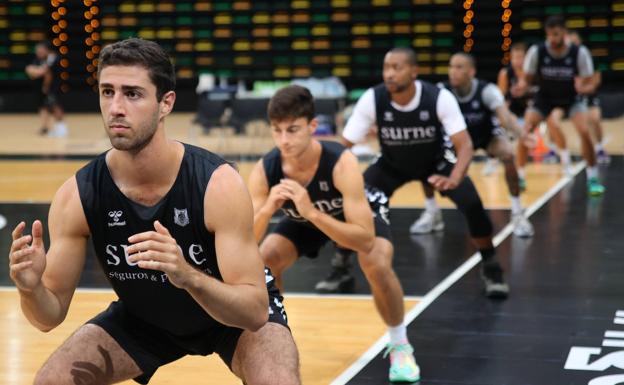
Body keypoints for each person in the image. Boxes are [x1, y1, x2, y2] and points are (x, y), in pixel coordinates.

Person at [8, 38, 299, 385]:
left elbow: (253, 312)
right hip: (146, 318)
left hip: (230, 317)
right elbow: (48, 316)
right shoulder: (78, 195)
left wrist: (187, 275)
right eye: (107, 92)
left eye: (132, 94)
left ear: (166, 103)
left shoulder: (217, 184)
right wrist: (30, 289)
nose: (115, 107)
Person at [248, 85, 420, 383]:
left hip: (351, 219)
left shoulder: (341, 162)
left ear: (313, 127)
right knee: (265, 258)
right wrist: (266, 211)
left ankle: (400, 343)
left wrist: (311, 211)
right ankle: (274, 339)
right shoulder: (266, 169)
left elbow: (364, 239)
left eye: (293, 130)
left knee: (376, 262)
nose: (284, 140)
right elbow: (244, 241)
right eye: (277, 131)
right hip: (304, 220)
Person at [341, 47, 510, 300]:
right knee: (351, 203)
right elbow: (343, 147)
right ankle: (340, 265)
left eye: (396, 68)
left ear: (414, 72)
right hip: (392, 163)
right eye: (386, 68)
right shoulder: (372, 98)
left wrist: (455, 177)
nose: (389, 74)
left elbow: (464, 145)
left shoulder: (438, 97)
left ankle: (491, 265)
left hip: (436, 162)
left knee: (472, 203)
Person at [411, 52, 534, 238]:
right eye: (451, 66)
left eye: (459, 67)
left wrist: (522, 134)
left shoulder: (487, 90)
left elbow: (505, 118)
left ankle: (517, 214)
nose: (453, 71)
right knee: (425, 158)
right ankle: (432, 213)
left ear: (472, 71)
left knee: (508, 154)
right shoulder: (441, 91)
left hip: (486, 136)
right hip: (456, 139)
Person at [516, 15, 605, 195]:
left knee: (584, 131)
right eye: (549, 35)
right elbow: (527, 78)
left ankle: (592, 177)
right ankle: (520, 176)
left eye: (556, 34)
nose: (552, 39)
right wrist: (522, 87)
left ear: (564, 32)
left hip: (570, 98)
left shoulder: (579, 52)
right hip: (545, 97)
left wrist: (583, 85)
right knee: (524, 131)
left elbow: (588, 80)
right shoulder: (537, 51)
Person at [566, 30, 610, 164]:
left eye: (575, 42)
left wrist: (582, 88)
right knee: (553, 115)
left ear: (580, 42)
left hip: (588, 95)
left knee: (594, 118)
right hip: (570, 96)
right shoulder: (564, 59)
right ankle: (554, 149)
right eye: (570, 42)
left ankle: (600, 148)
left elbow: (595, 83)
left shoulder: (588, 58)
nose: (572, 45)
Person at [24, 41, 68, 137]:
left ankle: (62, 129)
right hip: (42, 90)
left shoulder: (52, 57)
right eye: (37, 50)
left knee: (55, 106)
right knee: (44, 107)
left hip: (52, 88)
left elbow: (45, 72)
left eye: (40, 50)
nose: (38, 52)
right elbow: (30, 70)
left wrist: (45, 86)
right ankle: (46, 128)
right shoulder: (40, 59)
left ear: (45, 49)